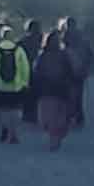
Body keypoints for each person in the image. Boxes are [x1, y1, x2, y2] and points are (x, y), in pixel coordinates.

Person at [35, 20, 83, 149]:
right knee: (60, 116)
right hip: (62, 89)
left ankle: (53, 138)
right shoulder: (64, 54)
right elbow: (73, 70)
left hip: (47, 90)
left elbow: (36, 72)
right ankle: (56, 137)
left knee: (49, 117)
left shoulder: (42, 56)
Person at [0, 20, 32, 143]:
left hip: (1, 85)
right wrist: (25, 82)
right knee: (16, 110)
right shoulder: (19, 50)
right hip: (17, 85)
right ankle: (13, 133)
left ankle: (5, 130)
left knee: (3, 110)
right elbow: (25, 67)